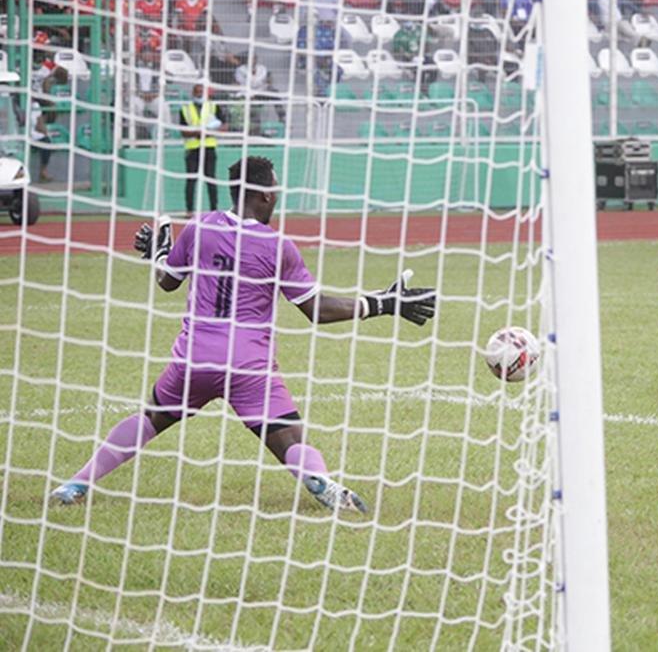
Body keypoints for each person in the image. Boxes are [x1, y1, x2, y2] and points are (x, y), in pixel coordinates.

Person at [49, 157, 438, 512]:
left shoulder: (200, 226)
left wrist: (158, 254)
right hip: (248, 364)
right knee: (292, 440)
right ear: (266, 194)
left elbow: (168, 282)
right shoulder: (277, 246)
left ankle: (76, 483)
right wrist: (384, 304)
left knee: (150, 419)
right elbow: (315, 309)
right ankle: (319, 480)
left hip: (194, 357)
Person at [180, 83, 225, 215]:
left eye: (201, 92)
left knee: (211, 179)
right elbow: (183, 131)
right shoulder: (185, 108)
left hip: (209, 147)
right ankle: (189, 210)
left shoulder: (213, 106)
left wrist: (209, 133)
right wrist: (198, 133)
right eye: (197, 92)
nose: (199, 94)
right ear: (193, 93)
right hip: (192, 148)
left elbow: (224, 126)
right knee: (191, 181)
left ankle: (214, 210)